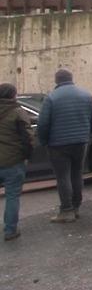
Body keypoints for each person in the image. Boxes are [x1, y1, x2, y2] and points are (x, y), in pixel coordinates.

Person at [36, 69, 92, 223]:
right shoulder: (86, 95)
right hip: (81, 142)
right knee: (77, 174)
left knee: (63, 176)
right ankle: (76, 207)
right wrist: (86, 135)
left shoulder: (51, 98)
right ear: (71, 78)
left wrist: (44, 141)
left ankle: (66, 210)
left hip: (58, 144)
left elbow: (43, 124)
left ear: (56, 80)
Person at [0, 83, 33, 241]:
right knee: (12, 196)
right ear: (13, 95)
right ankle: (10, 230)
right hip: (13, 161)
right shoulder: (18, 112)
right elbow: (27, 139)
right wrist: (26, 156)